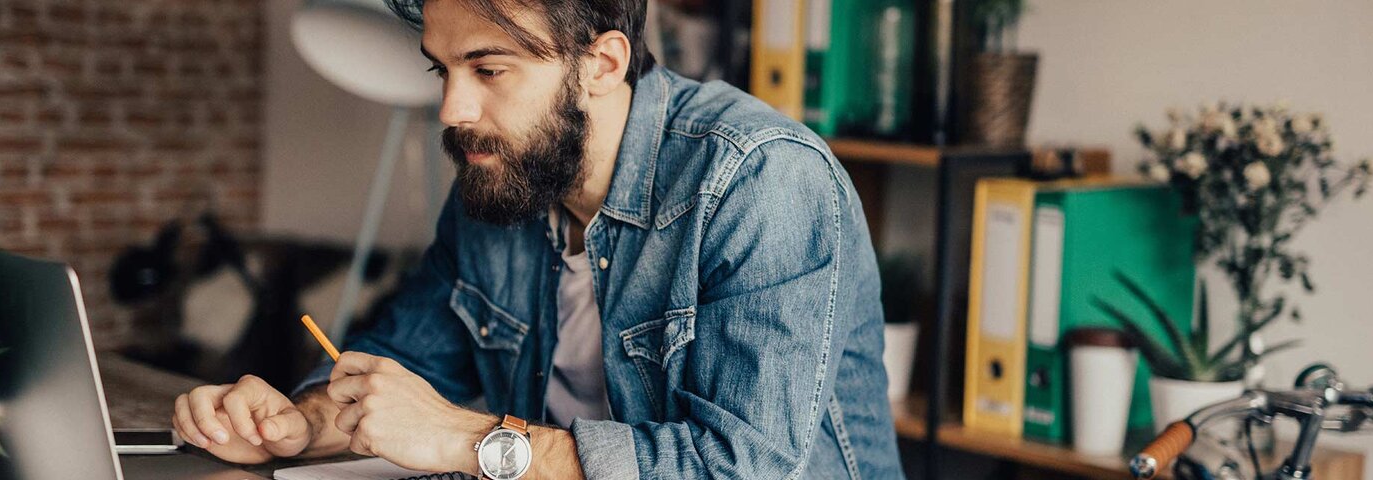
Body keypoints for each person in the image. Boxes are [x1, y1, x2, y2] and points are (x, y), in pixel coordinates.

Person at [171, 0, 901, 477]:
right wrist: (298, 424)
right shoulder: (502, 182)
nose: (453, 110)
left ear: (601, 64)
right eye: (444, 69)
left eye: (488, 68)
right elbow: (408, 359)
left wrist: (467, 441)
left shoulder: (762, 180)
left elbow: (743, 467)